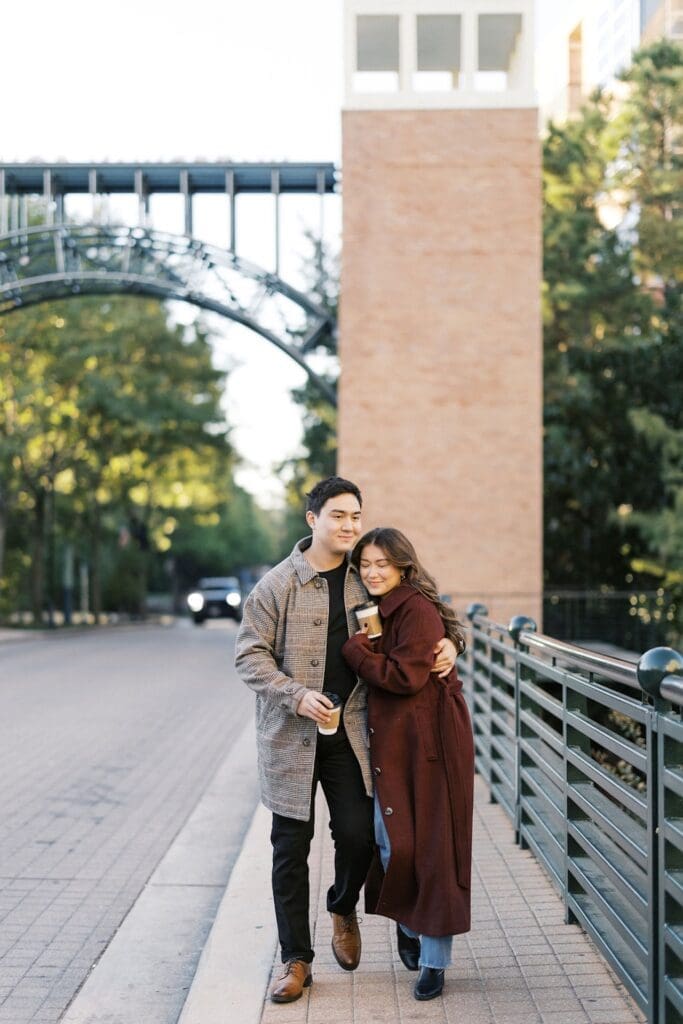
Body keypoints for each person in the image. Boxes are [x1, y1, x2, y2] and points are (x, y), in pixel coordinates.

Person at [234, 478, 458, 1004]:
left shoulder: (368, 579)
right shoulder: (276, 585)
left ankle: (342, 905)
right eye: (338, 516)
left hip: (355, 737)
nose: (350, 526)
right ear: (313, 520)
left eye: (355, 516)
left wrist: (453, 642)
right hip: (291, 737)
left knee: (359, 837)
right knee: (289, 848)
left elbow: (425, 613)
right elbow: (248, 655)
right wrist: (294, 694)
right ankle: (296, 962)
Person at [342, 527, 474, 1002]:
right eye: (366, 565)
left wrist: (355, 652)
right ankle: (409, 923)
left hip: (432, 744)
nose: (373, 573)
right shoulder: (377, 609)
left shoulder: (413, 608)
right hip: (397, 743)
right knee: (390, 840)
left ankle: (434, 964)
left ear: (402, 566)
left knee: (434, 851)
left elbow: (403, 677)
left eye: (382, 564)